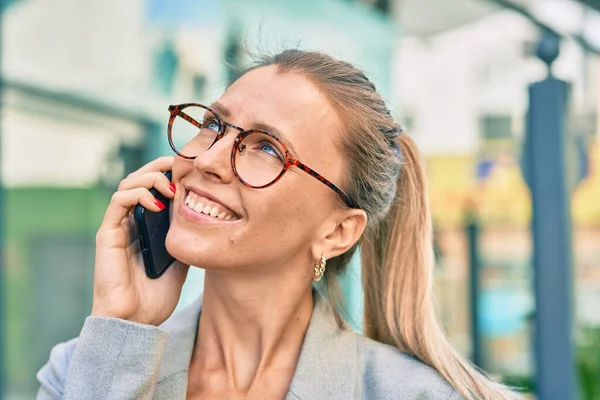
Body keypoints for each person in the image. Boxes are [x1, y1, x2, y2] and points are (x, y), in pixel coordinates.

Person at [37, 50, 518, 399]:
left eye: (267, 148)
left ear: (337, 232)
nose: (208, 159)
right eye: (214, 125)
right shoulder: (81, 372)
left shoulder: (414, 396)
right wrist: (123, 329)